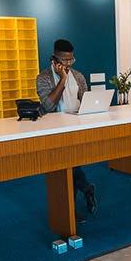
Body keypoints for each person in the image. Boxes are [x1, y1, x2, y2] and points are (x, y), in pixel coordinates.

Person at [36, 39, 98, 216]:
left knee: (70, 167)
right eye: (64, 60)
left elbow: (86, 100)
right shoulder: (43, 78)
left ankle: (71, 209)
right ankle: (85, 192)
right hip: (55, 129)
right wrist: (62, 79)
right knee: (66, 167)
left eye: (71, 60)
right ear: (54, 59)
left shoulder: (78, 76)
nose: (69, 64)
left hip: (76, 126)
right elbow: (47, 106)